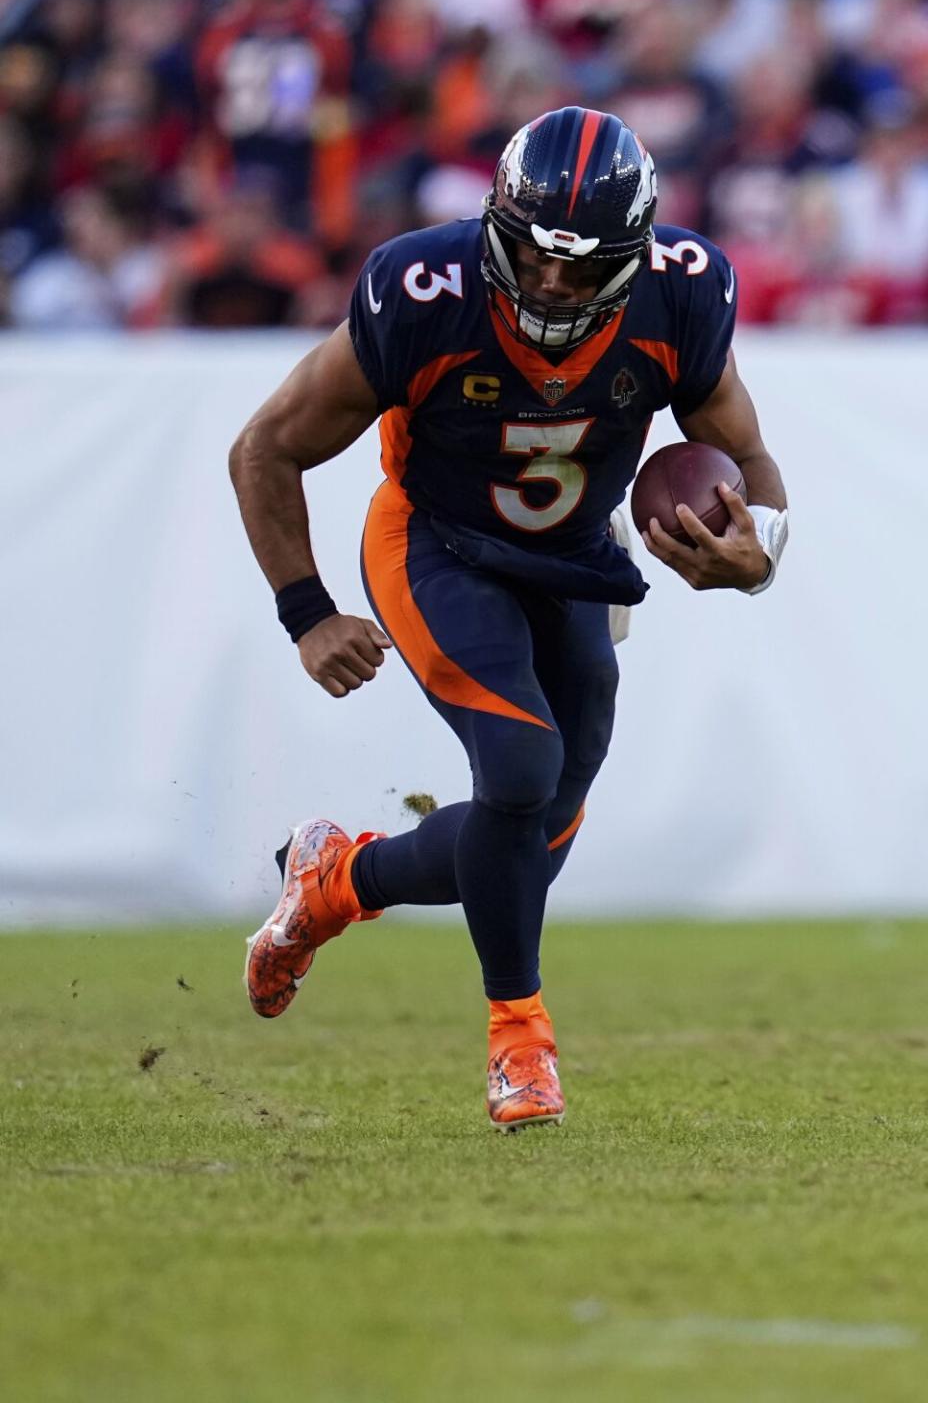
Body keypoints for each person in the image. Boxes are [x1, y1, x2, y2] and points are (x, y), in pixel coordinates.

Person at [229, 106, 788, 1132]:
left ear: (634, 256)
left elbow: (745, 454)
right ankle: (519, 1038)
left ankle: (335, 878)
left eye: (582, 271)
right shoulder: (424, 291)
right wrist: (308, 612)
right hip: (436, 540)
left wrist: (762, 553)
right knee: (520, 774)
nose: (549, 287)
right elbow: (265, 445)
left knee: (535, 835)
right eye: (533, 258)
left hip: (573, 558)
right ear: (495, 223)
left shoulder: (683, 294)